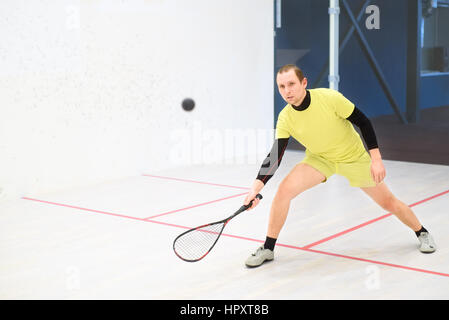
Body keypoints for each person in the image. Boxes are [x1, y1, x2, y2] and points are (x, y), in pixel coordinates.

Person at [243, 64, 436, 268]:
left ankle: (422, 232)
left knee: (388, 202)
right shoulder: (285, 117)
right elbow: (275, 156)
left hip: (353, 157)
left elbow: (363, 121)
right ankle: (268, 248)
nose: (287, 91)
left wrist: (376, 159)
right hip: (320, 159)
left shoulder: (329, 98)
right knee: (283, 191)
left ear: (304, 83)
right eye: (281, 86)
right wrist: (254, 190)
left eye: (291, 84)